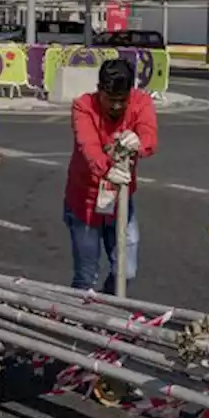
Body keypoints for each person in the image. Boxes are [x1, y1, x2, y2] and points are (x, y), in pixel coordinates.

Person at [64, 58, 158, 293]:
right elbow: (88, 146)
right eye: (110, 100)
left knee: (126, 272)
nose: (116, 107)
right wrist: (107, 169)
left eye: (121, 101)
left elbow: (149, 134)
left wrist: (140, 142)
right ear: (99, 91)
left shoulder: (141, 102)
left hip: (121, 201)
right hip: (84, 200)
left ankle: (106, 310)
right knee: (86, 275)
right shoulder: (83, 106)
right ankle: (79, 319)